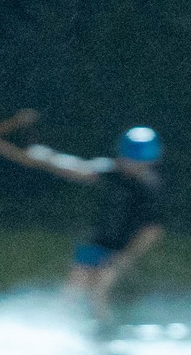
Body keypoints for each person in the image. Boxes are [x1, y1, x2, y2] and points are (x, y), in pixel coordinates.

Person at [64, 126, 166, 323]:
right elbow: (81, 169)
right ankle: (65, 324)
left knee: (98, 289)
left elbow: (152, 230)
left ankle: (103, 328)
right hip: (97, 239)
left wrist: (125, 256)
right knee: (74, 288)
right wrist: (47, 158)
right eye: (129, 160)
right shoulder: (111, 171)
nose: (132, 165)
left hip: (121, 248)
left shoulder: (150, 188)